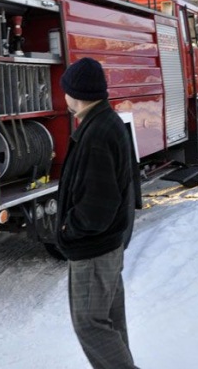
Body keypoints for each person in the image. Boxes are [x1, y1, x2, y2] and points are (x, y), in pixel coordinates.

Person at [56, 57, 138, 369]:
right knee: (110, 322)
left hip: (93, 250)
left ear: (75, 93)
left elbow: (96, 207)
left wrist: (68, 229)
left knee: (90, 323)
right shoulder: (104, 123)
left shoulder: (96, 136)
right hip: (106, 246)